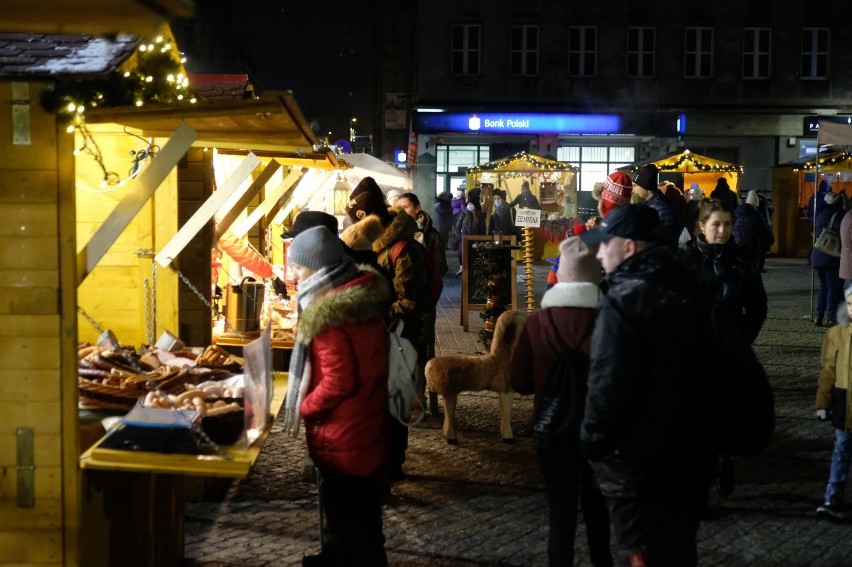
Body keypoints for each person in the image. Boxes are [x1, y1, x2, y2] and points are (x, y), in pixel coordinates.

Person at [579, 204, 717, 567]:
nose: (598, 253)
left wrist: (592, 443)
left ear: (628, 247)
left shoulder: (625, 300)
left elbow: (609, 387)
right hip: (692, 455)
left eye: (604, 244)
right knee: (678, 549)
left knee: (641, 552)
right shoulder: (693, 284)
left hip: (639, 464)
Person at [282, 226, 393, 566]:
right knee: (363, 515)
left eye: (298, 268)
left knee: (346, 515)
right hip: (364, 424)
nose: (294, 275)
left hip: (343, 433)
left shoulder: (328, 313)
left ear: (315, 268)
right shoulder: (359, 295)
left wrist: (304, 407)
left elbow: (338, 381)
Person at [510, 236, 612, 567]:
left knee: (561, 519)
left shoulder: (537, 321)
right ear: (595, 278)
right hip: (599, 432)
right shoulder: (609, 321)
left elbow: (520, 382)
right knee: (600, 517)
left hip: (552, 430)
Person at [345, 177, 429, 483]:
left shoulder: (404, 249)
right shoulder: (375, 247)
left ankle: (393, 464)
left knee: (396, 401)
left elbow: (410, 301)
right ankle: (382, 461)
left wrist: (376, 311)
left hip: (400, 336)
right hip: (379, 337)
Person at [683, 197, 768, 497]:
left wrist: (742, 340)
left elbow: (757, 306)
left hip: (732, 350)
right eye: (716, 224)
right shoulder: (685, 261)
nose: (722, 230)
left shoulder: (742, 259)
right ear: (700, 226)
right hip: (695, 351)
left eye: (727, 224)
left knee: (729, 410)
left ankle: (726, 458)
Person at [396, 191, 449, 415]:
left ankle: (421, 401)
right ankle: (405, 400)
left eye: (406, 207)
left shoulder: (431, 235)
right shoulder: (395, 234)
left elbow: (441, 267)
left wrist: (422, 275)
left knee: (422, 350)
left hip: (424, 302)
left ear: (417, 208)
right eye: (399, 208)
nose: (402, 211)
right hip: (401, 303)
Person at [815, 283, 852, 522]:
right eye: (850, 303)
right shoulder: (836, 334)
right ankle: (832, 498)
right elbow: (827, 370)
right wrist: (822, 403)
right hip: (844, 401)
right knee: (841, 451)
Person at [812, 190, 845, 327]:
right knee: (833, 287)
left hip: (817, 254)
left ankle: (818, 316)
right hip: (830, 257)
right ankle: (832, 317)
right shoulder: (839, 216)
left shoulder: (820, 215)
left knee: (823, 286)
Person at [631, 164, 683, 245]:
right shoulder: (651, 204)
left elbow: (667, 241)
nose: (633, 190)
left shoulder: (661, 209)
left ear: (645, 186)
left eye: (635, 186)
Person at [733, 190, 775, 271]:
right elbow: (763, 231)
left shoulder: (737, 212)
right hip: (750, 244)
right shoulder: (756, 215)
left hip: (737, 241)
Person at [454, 202, 483, 276]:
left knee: (473, 254)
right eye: (468, 204)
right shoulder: (463, 214)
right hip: (464, 238)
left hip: (475, 239)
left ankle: (471, 270)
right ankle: (462, 268)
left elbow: (481, 228)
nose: (469, 206)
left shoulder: (479, 215)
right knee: (461, 253)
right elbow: (457, 226)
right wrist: (460, 237)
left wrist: (481, 238)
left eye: (471, 204)